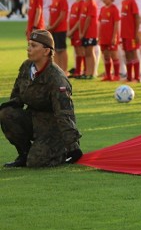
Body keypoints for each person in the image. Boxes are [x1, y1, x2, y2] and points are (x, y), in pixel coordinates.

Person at [1, 30, 83, 168]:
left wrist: (73, 146)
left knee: (36, 162)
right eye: (29, 45)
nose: (29, 49)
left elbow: (64, 113)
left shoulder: (57, 79)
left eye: (33, 46)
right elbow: (16, 99)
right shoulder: (26, 67)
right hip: (33, 119)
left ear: (46, 51)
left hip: (53, 127)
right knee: (6, 113)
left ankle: (62, 151)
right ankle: (24, 154)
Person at [119, 0, 141, 83]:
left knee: (133, 53)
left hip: (131, 34)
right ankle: (129, 77)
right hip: (124, 33)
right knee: (127, 54)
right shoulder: (124, 2)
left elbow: (137, 17)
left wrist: (136, 32)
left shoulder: (132, 2)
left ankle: (137, 77)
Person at [97, 0, 121, 82]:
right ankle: (108, 75)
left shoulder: (114, 9)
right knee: (106, 56)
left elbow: (116, 24)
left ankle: (116, 75)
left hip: (111, 37)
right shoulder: (102, 9)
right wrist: (99, 36)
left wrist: (114, 36)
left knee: (114, 56)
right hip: (103, 37)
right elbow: (100, 24)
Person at [46, 0, 69, 74]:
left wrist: (53, 26)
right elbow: (52, 14)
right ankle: (58, 69)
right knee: (55, 50)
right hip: (53, 29)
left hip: (60, 29)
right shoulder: (55, 0)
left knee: (62, 50)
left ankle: (64, 70)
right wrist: (49, 26)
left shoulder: (63, 0)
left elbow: (62, 16)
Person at [76, 0, 98, 79]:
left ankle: (91, 72)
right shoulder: (84, 3)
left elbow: (88, 19)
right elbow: (82, 18)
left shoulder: (91, 3)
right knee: (86, 52)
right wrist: (80, 32)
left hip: (90, 32)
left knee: (90, 52)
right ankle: (87, 72)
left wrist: (83, 32)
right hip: (84, 33)